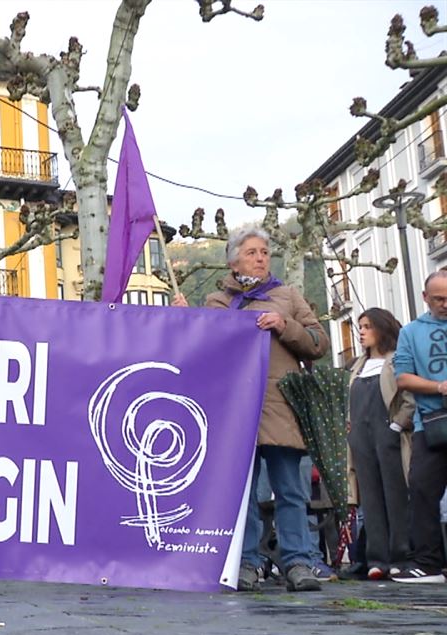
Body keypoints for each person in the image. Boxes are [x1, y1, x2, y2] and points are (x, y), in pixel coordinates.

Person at [176, 226, 328, 592]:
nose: (261, 258)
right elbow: (201, 352)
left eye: (264, 252)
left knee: (290, 489)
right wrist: (183, 320)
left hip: (280, 409)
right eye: (252, 252)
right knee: (241, 493)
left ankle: (298, 563)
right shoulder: (216, 302)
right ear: (232, 260)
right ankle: (246, 562)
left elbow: (318, 342)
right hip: (235, 411)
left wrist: (285, 325)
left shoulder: (287, 296)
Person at [347, 308, 415, 581]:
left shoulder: (396, 360)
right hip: (361, 438)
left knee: (397, 496)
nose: (361, 331)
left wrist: (397, 425)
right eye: (360, 326)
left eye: (367, 326)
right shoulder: (357, 366)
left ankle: (401, 556)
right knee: (370, 498)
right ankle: (377, 559)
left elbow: (409, 398)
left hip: (389, 435)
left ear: (382, 329)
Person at [392, 270, 447, 584]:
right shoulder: (411, 332)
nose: (444, 304)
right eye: (438, 298)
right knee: (424, 491)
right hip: (431, 424)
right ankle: (427, 563)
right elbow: (403, 378)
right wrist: (440, 387)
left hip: (432, 424)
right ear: (425, 298)